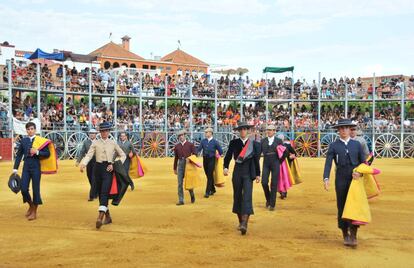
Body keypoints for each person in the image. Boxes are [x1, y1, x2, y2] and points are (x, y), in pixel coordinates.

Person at [323, 119, 366, 247]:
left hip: (355, 180)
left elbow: (363, 163)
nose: (343, 130)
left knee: (354, 206)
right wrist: (326, 178)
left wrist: (360, 173)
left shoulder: (356, 145)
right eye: (341, 128)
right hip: (340, 178)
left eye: (346, 128)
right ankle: (345, 234)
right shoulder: (334, 145)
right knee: (341, 206)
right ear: (338, 131)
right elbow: (328, 163)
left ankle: (353, 234)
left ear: (350, 130)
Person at [79, 122, 126, 229]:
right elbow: (90, 154)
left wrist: (114, 165)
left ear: (109, 131)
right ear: (100, 132)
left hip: (108, 169)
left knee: (104, 192)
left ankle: (100, 217)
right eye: (102, 131)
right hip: (97, 169)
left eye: (106, 131)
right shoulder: (95, 142)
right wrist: (83, 163)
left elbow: (123, 155)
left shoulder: (113, 142)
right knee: (100, 193)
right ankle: (108, 217)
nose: (104, 133)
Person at [224, 122, 261, 235]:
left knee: (247, 196)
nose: (243, 131)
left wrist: (258, 174)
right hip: (238, 171)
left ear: (248, 131)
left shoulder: (253, 144)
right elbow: (228, 156)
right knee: (237, 196)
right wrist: (225, 167)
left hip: (249, 172)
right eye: (241, 130)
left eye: (245, 129)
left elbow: (256, 160)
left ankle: (244, 223)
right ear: (239, 131)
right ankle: (241, 222)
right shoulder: (234, 143)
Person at [13, 122, 51, 221]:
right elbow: (19, 155)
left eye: (32, 129)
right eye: (28, 129)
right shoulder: (24, 141)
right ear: (26, 130)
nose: (30, 131)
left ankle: (34, 211)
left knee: (36, 189)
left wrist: (37, 152)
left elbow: (47, 154)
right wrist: (15, 169)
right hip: (26, 167)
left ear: (35, 130)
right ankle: (31, 205)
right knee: (24, 189)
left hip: (36, 167)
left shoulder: (40, 141)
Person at [260, 125, 283, 211]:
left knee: (274, 184)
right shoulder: (263, 141)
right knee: (264, 182)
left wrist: (279, 162)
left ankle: (272, 204)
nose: (269, 131)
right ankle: (268, 199)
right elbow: (258, 153)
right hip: (266, 163)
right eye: (268, 130)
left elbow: (284, 152)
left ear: (274, 131)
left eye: (270, 130)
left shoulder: (279, 141)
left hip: (275, 163)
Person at [197, 127, 223, 198]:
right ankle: (213, 189)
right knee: (208, 175)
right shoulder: (203, 141)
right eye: (205, 132)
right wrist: (193, 153)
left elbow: (221, 151)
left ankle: (207, 192)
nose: (205, 133)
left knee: (209, 174)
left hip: (212, 159)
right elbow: (199, 149)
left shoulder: (215, 142)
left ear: (211, 133)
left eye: (206, 132)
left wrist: (218, 155)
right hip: (205, 159)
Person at [173, 129, 197, 205]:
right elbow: (176, 158)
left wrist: (190, 159)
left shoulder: (190, 144)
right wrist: (174, 168)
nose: (181, 137)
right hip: (180, 164)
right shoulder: (177, 146)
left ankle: (192, 194)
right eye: (179, 136)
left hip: (188, 164)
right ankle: (181, 200)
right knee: (180, 183)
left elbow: (195, 154)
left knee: (188, 182)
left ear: (184, 135)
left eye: (182, 135)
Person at [76, 129, 99, 201]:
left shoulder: (99, 141)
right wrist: (78, 161)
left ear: (96, 134)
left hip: (97, 161)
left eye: (93, 133)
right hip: (88, 162)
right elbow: (82, 152)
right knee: (89, 177)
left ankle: (91, 195)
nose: (91, 134)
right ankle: (96, 191)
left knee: (94, 178)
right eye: (90, 133)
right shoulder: (86, 142)